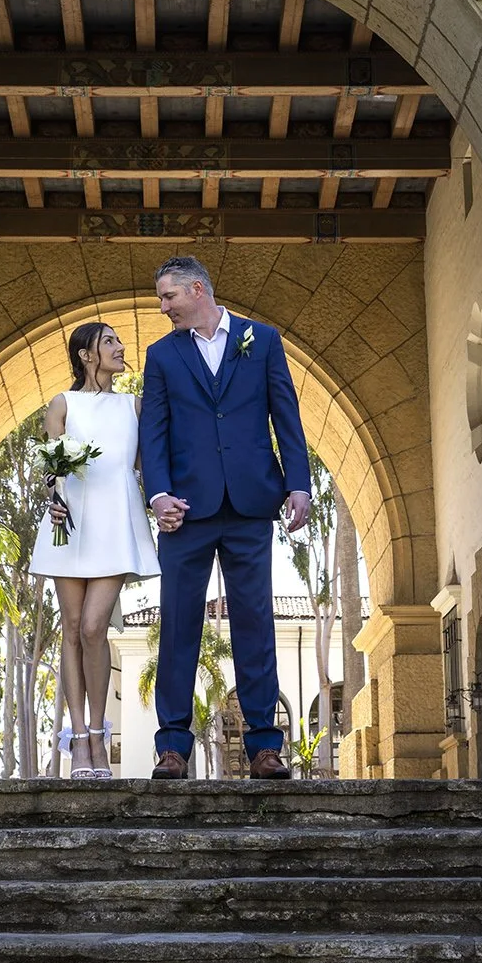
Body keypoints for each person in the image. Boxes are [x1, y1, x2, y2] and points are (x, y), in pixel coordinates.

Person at [140, 256, 311, 782]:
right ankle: (172, 748)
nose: (163, 307)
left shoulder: (262, 340)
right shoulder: (162, 355)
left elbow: (286, 413)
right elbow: (155, 428)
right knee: (178, 627)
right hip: (185, 512)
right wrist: (159, 494)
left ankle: (265, 747)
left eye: (169, 297)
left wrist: (299, 484)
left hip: (251, 502)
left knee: (256, 623)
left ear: (197, 289)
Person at [29, 321, 159, 780]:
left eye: (119, 342)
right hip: (71, 523)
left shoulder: (135, 406)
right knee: (69, 627)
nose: (121, 348)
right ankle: (80, 739)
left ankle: (101, 734)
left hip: (115, 524)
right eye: (110, 342)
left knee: (92, 627)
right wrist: (53, 499)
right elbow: (52, 467)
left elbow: (150, 465)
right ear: (86, 355)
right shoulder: (63, 404)